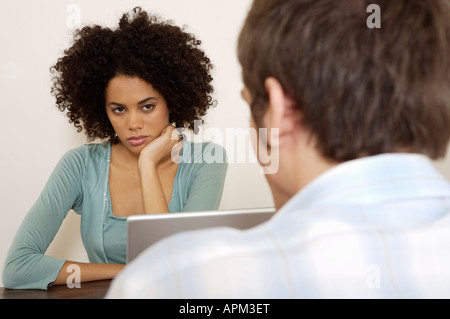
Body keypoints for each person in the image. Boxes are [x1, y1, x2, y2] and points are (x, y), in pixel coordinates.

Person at [106, 0, 450, 299]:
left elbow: (160, 265)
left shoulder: (174, 283)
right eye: (118, 109)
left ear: (278, 110)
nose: (133, 122)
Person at [2, 7, 227, 290]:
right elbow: (17, 269)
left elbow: (176, 267)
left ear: (172, 100)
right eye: (119, 109)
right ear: (102, 110)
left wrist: (147, 164)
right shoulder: (80, 165)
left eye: (147, 106)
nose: (133, 123)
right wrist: (126, 270)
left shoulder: (207, 161)